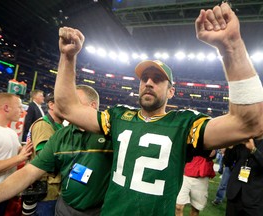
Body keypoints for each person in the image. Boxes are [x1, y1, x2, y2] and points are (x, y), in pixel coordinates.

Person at [54, 2, 263, 215]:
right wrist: (68, 57)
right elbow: (67, 107)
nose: (149, 83)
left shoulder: (184, 124)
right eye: (144, 78)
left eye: (157, 79)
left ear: (171, 92)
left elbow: (249, 123)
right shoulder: (117, 116)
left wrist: (231, 46)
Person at [0, 85, 113, 216]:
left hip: (99, 210)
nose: (68, 107)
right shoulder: (60, 134)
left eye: (75, 102)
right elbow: (31, 171)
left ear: (93, 105)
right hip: (61, 204)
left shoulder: (113, 133)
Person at [21, 92, 64, 216]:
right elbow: (46, 159)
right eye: (64, 104)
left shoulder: (57, 126)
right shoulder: (44, 125)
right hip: (46, 191)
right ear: (51, 104)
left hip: (52, 188)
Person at [225, 138, 263, 216]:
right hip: (235, 194)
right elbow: (227, 162)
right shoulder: (244, 137)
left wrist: (254, 150)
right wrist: (230, 147)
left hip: (255, 198)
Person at [176, 150, 216, 216]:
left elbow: (212, 153)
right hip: (185, 174)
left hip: (201, 176)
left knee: (196, 208)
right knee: (178, 206)